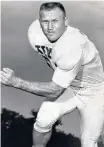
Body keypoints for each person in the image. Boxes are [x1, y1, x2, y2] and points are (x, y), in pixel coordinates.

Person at [0, 2, 104, 147]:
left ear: (66, 21)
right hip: (70, 86)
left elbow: (56, 89)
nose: (49, 27)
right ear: (39, 21)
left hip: (93, 93)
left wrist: (16, 82)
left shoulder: (72, 45)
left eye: (55, 21)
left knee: (89, 142)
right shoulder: (35, 32)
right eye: (45, 21)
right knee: (42, 120)